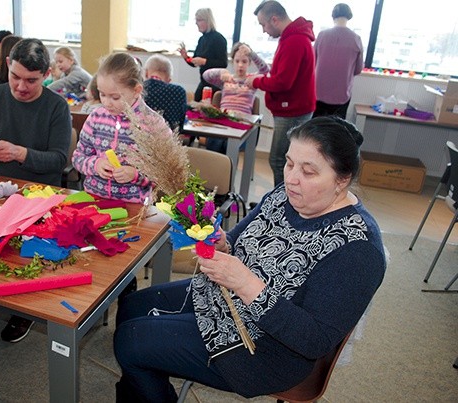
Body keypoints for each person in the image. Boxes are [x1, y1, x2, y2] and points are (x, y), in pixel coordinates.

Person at [113, 116, 386, 402]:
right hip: (222, 299)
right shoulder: (285, 195)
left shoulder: (358, 249)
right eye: (290, 163)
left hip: (264, 350)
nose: (291, 179)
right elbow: (236, 240)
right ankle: (146, 381)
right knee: (132, 307)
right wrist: (221, 242)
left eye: (308, 172)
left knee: (130, 341)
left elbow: (313, 340)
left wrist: (246, 284)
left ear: (342, 180)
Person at [0, 38, 72, 343]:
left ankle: (22, 308)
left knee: (24, 257)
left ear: (46, 74)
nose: (21, 86)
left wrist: (22, 153)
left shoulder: (56, 106)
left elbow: (60, 160)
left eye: (32, 80)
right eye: (16, 77)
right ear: (7, 64)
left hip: (39, 195)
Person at [72, 52, 167, 204]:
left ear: (136, 90)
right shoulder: (96, 117)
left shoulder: (153, 124)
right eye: (102, 94)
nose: (107, 103)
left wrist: (136, 174)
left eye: (115, 97)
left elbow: (165, 173)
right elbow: (78, 157)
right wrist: (95, 164)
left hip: (134, 207)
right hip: (94, 200)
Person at [246, 1, 316, 186]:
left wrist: (256, 81)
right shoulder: (292, 38)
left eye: (263, 24)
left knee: (280, 161)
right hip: (291, 109)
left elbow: (283, 82)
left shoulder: (294, 41)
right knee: (282, 161)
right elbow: (282, 74)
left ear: (274, 20)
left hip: (292, 111)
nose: (264, 30)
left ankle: (282, 205)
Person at [202, 42, 270, 153]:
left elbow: (266, 72)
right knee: (216, 141)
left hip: (241, 125)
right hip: (223, 123)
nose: (240, 65)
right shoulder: (226, 79)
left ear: (250, 63)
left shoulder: (253, 80)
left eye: (244, 61)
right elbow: (206, 75)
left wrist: (252, 54)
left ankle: (228, 167)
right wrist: (222, 72)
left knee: (229, 144)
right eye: (237, 61)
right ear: (232, 61)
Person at [313, 3, 364, 119]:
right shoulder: (356, 39)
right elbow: (358, 70)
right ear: (349, 16)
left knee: (314, 129)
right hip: (342, 94)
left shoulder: (322, 35)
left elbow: (312, 63)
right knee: (336, 130)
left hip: (318, 92)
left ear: (333, 16)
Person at [178, 8, 228, 102]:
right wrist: (186, 57)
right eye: (196, 20)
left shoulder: (219, 39)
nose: (196, 23)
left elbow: (223, 63)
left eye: (199, 20)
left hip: (215, 85)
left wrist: (204, 61)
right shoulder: (201, 40)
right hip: (204, 82)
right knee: (192, 108)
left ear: (208, 21)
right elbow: (194, 62)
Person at [143, 54, 187, 132]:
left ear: (146, 73)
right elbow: (180, 125)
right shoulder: (179, 92)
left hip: (138, 139)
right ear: (169, 79)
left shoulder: (137, 89)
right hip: (167, 141)